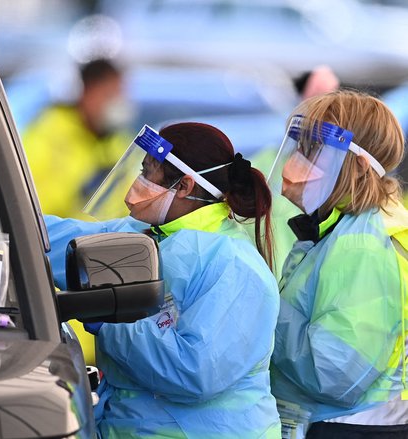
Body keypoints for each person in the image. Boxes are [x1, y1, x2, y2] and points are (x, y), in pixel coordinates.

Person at [45, 122, 281, 438]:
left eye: (148, 173)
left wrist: (111, 323)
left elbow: (195, 373)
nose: (138, 183)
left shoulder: (234, 265)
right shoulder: (142, 235)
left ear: (184, 186)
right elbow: (45, 240)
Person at [268, 89, 408, 438]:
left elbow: (333, 372)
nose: (298, 160)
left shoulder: (362, 244)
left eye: (315, 150)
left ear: (359, 165)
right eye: (300, 146)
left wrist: (264, 308)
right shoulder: (340, 228)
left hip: (350, 426)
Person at [248, 65, 341, 276]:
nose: (323, 107)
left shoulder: (342, 170)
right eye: (317, 97)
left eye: (332, 96)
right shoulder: (265, 163)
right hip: (269, 274)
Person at [22, 57, 135, 220]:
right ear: (87, 92)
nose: (116, 103)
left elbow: (128, 202)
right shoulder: (48, 131)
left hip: (108, 241)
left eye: (119, 95)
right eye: (109, 95)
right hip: (55, 241)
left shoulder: (118, 142)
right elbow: (27, 200)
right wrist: (82, 184)